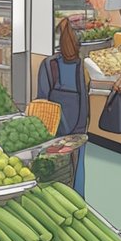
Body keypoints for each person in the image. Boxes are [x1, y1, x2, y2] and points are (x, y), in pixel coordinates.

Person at [37, 18, 90, 195]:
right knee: (76, 172)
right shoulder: (83, 66)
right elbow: (84, 100)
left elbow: (42, 100)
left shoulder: (49, 64)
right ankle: (77, 202)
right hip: (78, 131)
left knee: (53, 174)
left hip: (53, 130)